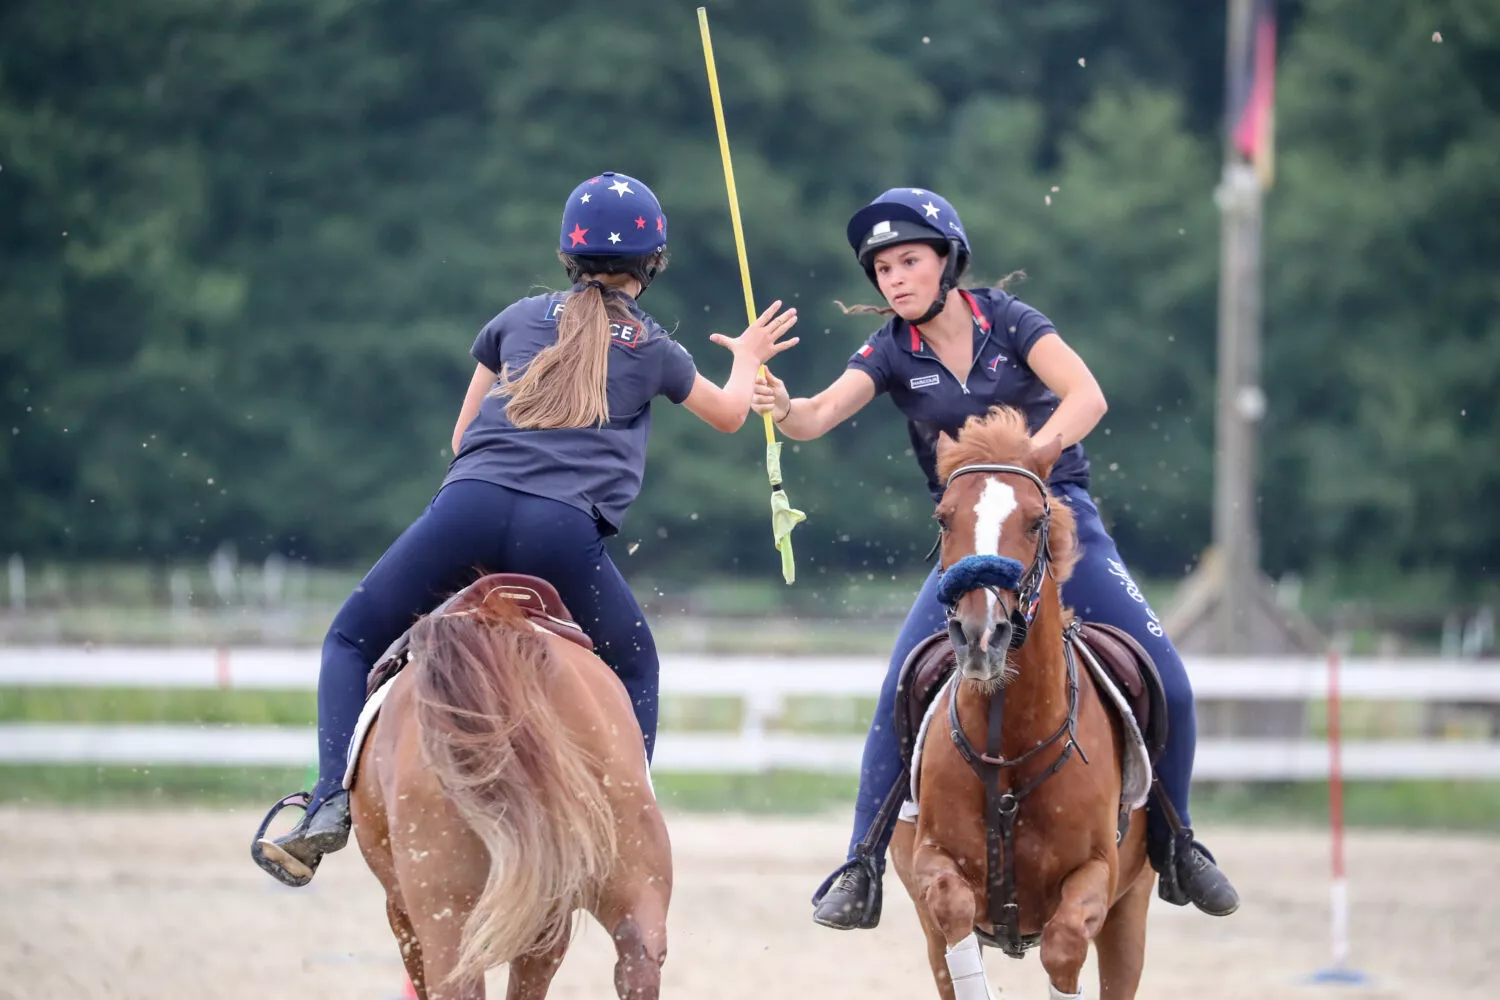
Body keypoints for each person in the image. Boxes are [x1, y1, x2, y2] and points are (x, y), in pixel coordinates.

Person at [253, 171, 800, 887]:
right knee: (635, 664)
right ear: (652, 263)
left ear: (567, 257)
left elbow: (460, 440)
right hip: (560, 532)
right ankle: (625, 820)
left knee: (353, 637)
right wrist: (748, 358)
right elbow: (731, 415)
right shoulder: (656, 348)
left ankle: (326, 801)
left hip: (467, 510)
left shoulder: (514, 320)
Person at [750, 187, 1239, 928]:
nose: (895, 279)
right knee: (897, 690)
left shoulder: (1011, 322)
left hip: (1058, 523)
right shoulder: (889, 351)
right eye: (882, 270)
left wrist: (1028, 463)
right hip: (971, 540)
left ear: (948, 261)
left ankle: (1179, 846)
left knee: (1167, 675)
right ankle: (860, 864)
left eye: (909, 261)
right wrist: (781, 403)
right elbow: (816, 417)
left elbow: (1088, 396)